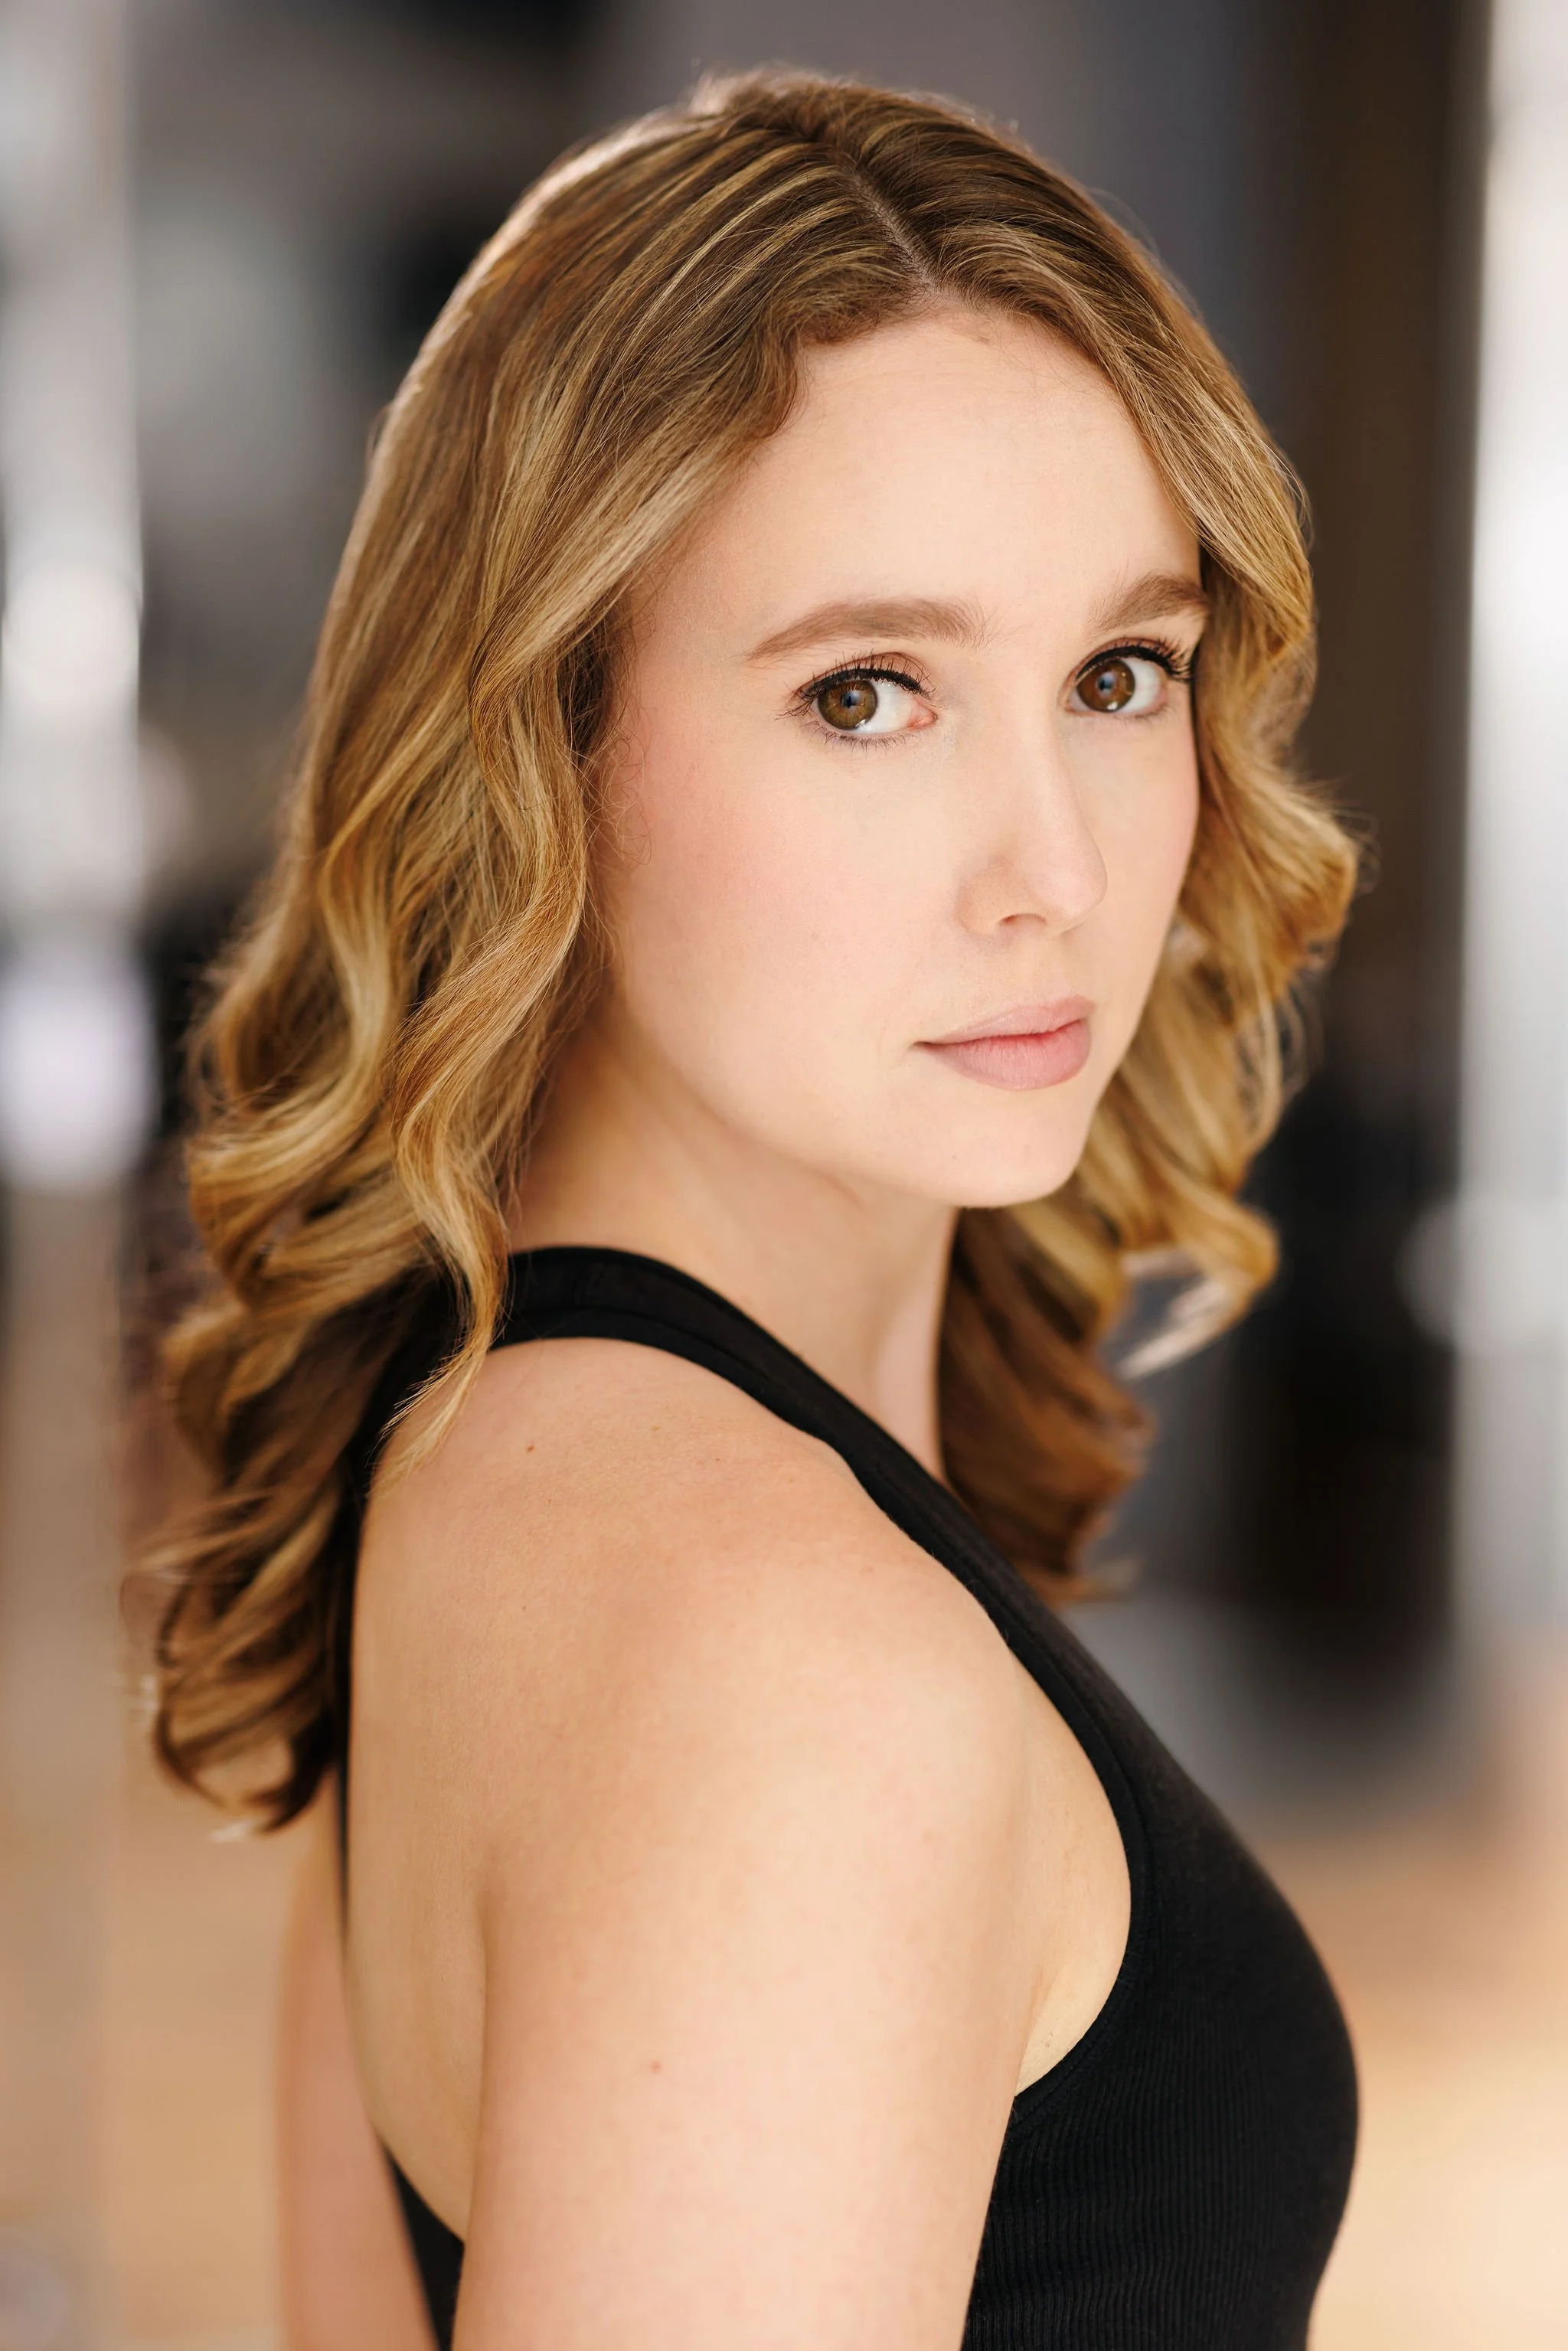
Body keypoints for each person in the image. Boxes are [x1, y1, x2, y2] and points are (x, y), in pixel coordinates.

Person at [149, 72, 1361, 2351]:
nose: (1058, 868)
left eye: (1120, 673)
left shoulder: (464, 1449)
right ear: (545, 746)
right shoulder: (792, 1669)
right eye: (869, 693)